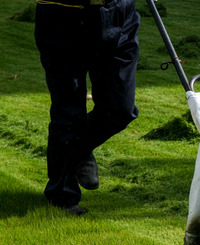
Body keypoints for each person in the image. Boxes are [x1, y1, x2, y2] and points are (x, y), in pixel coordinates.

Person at [35, 0, 140, 215]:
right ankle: (62, 198)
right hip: (62, 14)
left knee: (120, 108)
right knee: (68, 111)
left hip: (118, 12)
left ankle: (79, 149)